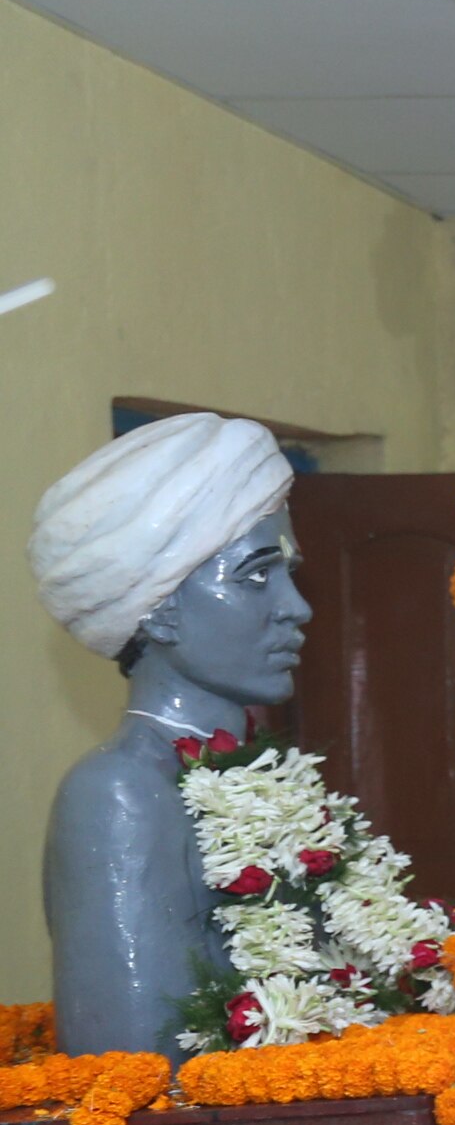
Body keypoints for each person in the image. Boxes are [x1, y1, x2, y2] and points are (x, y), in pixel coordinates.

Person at [30, 411, 309, 1063]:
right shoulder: (121, 794)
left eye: (290, 572)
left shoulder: (259, 777)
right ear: (157, 609)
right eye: (257, 574)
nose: (298, 606)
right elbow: (140, 1082)